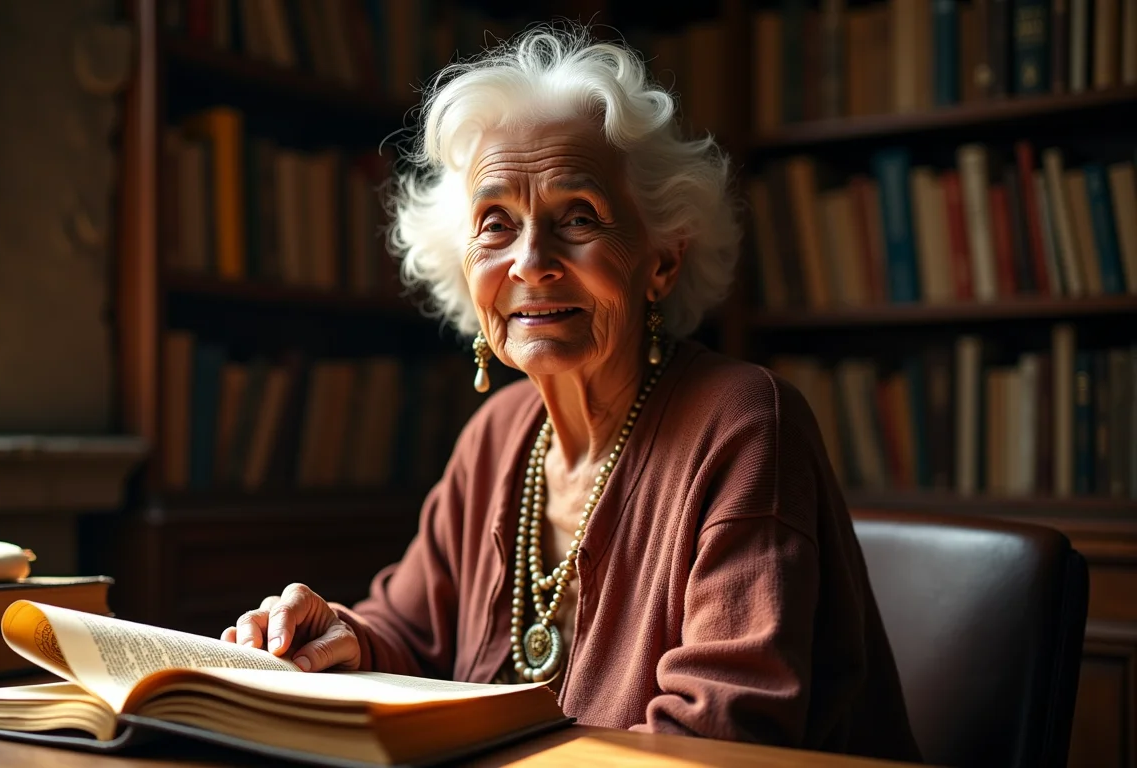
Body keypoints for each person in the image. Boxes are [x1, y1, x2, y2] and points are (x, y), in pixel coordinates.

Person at [219, 24, 920, 762]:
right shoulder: (497, 436)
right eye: (497, 224)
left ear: (662, 261)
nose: (531, 262)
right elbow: (414, 636)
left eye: (577, 216)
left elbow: (719, 737)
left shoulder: (743, 424)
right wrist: (340, 638)